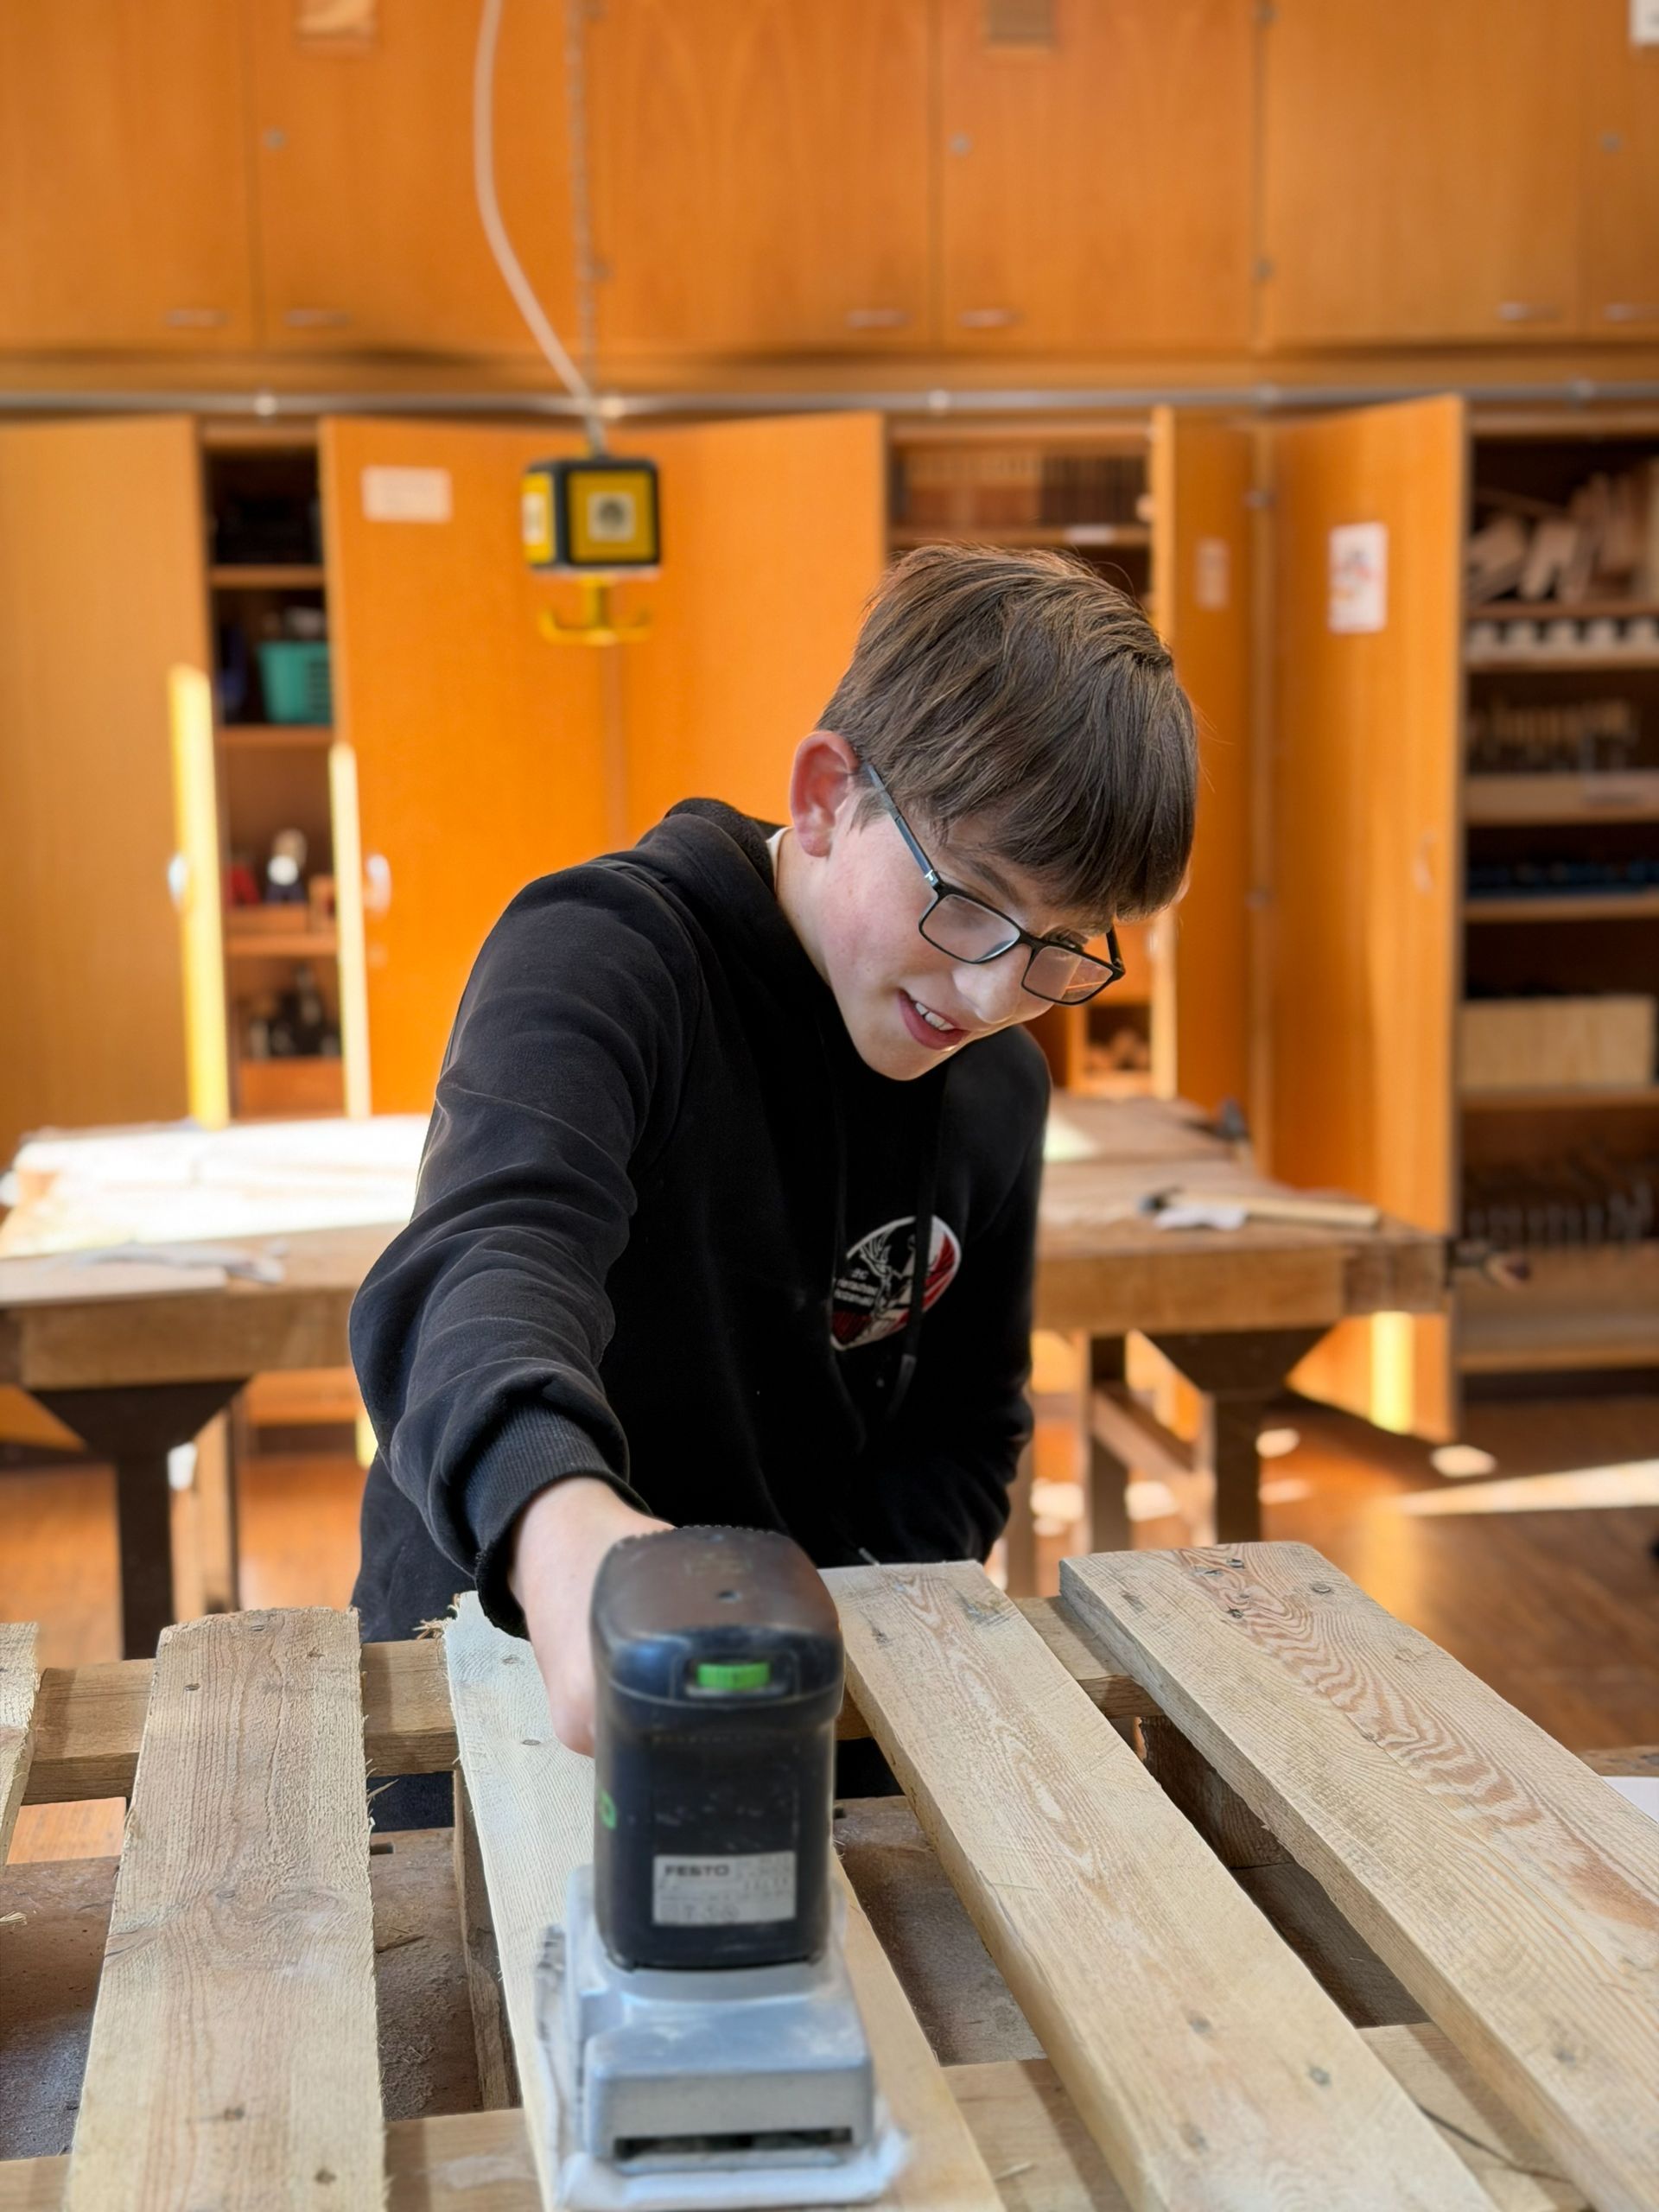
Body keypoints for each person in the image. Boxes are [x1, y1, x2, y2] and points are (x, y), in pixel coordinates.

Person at [350, 544, 1197, 1822]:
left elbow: (966, 1429)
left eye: (1061, 946)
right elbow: (486, 1263)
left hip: (793, 1691)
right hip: (500, 1650)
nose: (990, 994)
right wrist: (566, 1532)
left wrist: (819, 1625)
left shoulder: (996, 1085)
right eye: (971, 903)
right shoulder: (603, 959)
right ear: (823, 796)